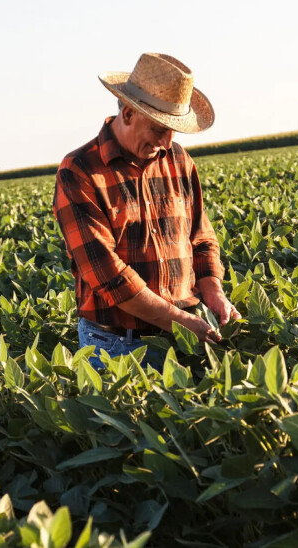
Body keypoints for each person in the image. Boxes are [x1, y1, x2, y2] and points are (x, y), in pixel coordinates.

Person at [53, 53, 240, 370]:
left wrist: (213, 291)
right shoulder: (81, 170)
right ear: (127, 114)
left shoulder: (178, 160)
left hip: (186, 334)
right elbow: (108, 277)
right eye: (157, 129)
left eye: (172, 130)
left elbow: (202, 238)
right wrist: (179, 321)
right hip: (118, 345)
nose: (167, 140)